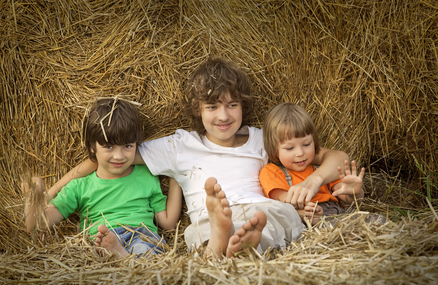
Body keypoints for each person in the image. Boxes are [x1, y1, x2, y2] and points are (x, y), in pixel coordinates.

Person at [46, 58, 350, 258]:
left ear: (243, 106)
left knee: (269, 219)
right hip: (210, 214)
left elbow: (337, 157)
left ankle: (244, 240)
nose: (223, 116)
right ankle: (224, 237)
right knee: (206, 229)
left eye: (232, 105)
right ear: (197, 110)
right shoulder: (180, 145)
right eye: (212, 107)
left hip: (261, 208)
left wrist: (314, 180)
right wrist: (55, 188)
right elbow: (110, 153)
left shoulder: (261, 139)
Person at [23, 98, 182, 258]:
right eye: (109, 147)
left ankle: (122, 256)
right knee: (94, 252)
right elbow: (38, 224)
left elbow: (168, 224)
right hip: (101, 239)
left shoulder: (146, 175)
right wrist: (33, 200)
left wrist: (176, 175)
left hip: (141, 235)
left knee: (145, 250)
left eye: (127, 146)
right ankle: (120, 255)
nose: (119, 156)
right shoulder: (79, 187)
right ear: (93, 147)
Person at [259, 103, 364, 223]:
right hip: (306, 217)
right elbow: (284, 204)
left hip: (337, 214)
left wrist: (354, 192)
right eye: (289, 148)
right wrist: (309, 213)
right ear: (274, 149)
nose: (300, 153)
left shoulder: (322, 167)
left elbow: (349, 199)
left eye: (306, 144)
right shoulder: (271, 172)